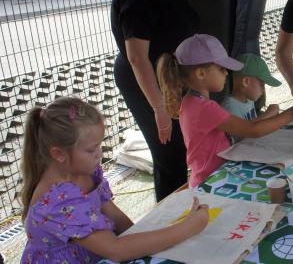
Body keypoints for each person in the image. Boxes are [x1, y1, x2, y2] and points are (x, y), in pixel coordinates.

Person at [20, 97, 209, 263]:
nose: (99, 154)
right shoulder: (57, 200)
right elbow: (116, 250)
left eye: (99, 145)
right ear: (58, 154)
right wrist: (186, 228)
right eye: (91, 149)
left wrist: (143, 244)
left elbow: (118, 219)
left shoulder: (83, 173)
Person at [111, 0, 199, 201]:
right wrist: (159, 108)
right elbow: (137, 59)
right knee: (169, 157)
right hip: (147, 83)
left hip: (169, 78)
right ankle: (167, 227)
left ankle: (179, 216)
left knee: (180, 151)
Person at [156, 34, 293, 187]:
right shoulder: (205, 108)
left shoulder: (191, 102)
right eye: (221, 69)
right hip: (211, 182)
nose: (226, 73)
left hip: (212, 176)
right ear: (201, 73)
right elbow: (252, 130)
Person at [222, 53, 281, 124]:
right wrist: (267, 115)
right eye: (261, 85)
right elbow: (243, 132)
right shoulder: (230, 107)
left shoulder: (249, 100)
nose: (263, 90)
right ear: (245, 82)